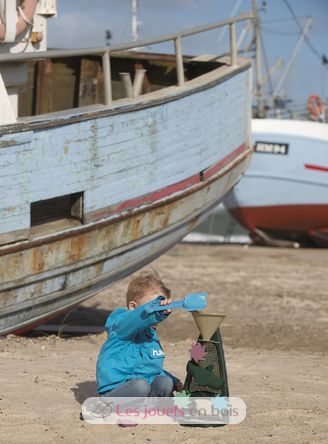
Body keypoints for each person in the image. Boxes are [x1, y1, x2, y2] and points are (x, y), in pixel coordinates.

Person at [96, 270, 183, 398]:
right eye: (154, 306)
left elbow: (151, 368)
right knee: (141, 386)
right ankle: (104, 405)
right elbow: (135, 319)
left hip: (142, 388)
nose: (159, 311)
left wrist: (173, 380)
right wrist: (155, 312)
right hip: (118, 388)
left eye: (161, 307)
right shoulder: (121, 325)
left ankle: (151, 410)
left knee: (165, 382)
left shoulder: (151, 336)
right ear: (133, 307)